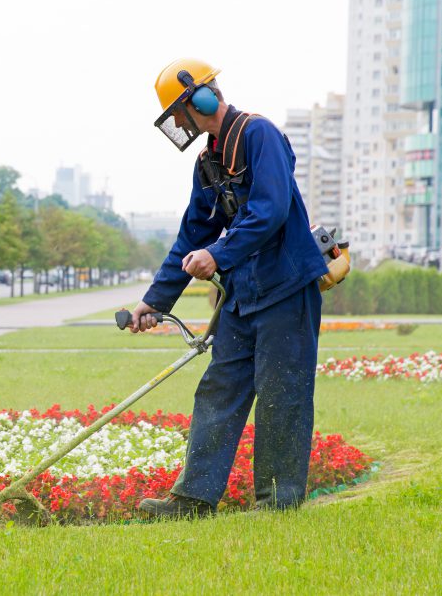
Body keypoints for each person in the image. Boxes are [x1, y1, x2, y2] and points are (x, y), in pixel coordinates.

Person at [126, 58, 329, 518]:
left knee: (281, 397)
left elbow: (270, 209)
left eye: (180, 112)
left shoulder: (260, 135)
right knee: (217, 391)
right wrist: (153, 301)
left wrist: (219, 255)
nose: (179, 123)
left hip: (285, 290)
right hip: (242, 298)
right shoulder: (208, 160)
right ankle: (193, 499)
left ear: (200, 97)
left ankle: (277, 503)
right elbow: (192, 234)